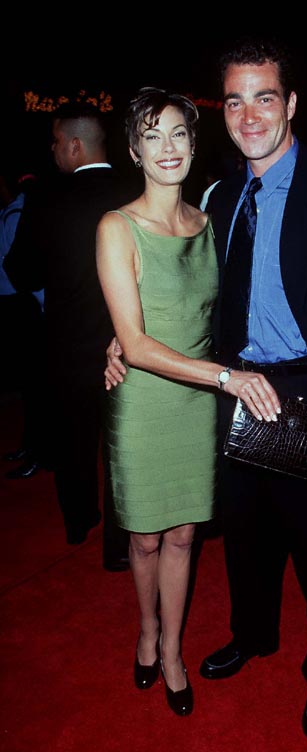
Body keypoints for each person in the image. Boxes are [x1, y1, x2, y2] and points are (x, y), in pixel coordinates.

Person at [105, 39, 307, 740]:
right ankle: (253, 634)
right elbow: (188, 295)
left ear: (290, 104)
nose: (249, 113)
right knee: (247, 539)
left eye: (264, 96)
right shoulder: (222, 197)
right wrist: (122, 336)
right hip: (234, 395)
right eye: (234, 99)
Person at [96, 86, 280, 717]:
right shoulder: (116, 227)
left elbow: (230, 312)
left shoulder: (212, 220)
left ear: (195, 144)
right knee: (144, 541)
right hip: (146, 405)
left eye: (179, 133)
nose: (168, 147)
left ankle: (171, 648)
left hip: (199, 405)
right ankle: (145, 630)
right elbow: (138, 342)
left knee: (183, 536)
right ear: (133, 149)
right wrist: (120, 345)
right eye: (153, 135)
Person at [3, 103, 133, 569]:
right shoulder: (136, 189)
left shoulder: (46, 198)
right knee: (124, 449)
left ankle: (79, 522)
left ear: (75, 145)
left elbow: (18, 271)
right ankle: (120, 547)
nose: (54, 150)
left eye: (57, 142)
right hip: (131, 348)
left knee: (74, 442)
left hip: (69, 349)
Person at [1, 169, 47, 479]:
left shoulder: (20, 214)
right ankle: (30, 447)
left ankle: (38, 452)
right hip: (16, 304)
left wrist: (43, 307)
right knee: (30, 385)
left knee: (36, 386)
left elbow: (27, 267)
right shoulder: (13, 212)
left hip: (25, 305)